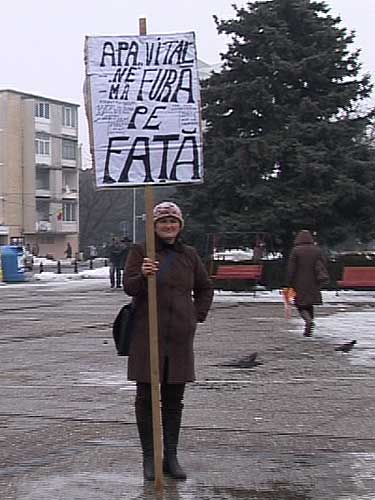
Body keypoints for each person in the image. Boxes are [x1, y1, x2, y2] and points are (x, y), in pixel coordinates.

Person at [123, 201, 214, 481]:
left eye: (173, 221)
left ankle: (170, 456)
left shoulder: (189, 254)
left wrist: (195, 315)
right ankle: (149, 457)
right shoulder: (141, 252)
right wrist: (144, 274)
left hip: (178, 338)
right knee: (147, 398)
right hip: (146, 335)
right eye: (163, 221)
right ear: (154, 226)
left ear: (180, 226)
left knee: (174, 400)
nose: (168, 226)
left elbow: (204, 287)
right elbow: (130, 287)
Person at [286, 229, 329, 337]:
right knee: (310, 304)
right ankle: (308, 327)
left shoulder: (296, 251)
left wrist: (289, 282)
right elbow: (323, 264)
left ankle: (308, 321)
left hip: (299, 282)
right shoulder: (317, 250)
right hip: (314, 282)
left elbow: (291, 268)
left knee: (300, 304)